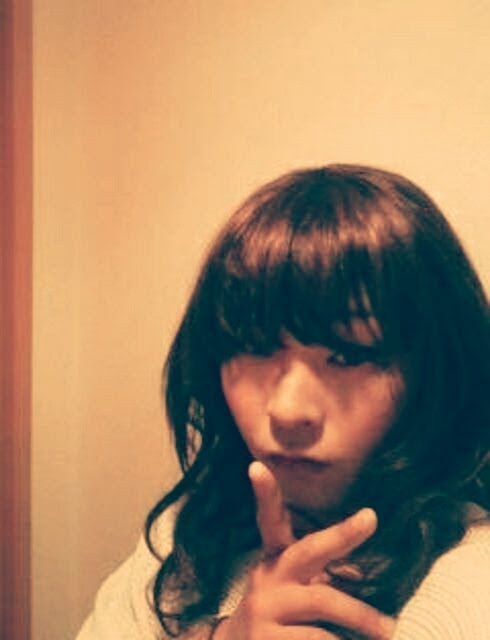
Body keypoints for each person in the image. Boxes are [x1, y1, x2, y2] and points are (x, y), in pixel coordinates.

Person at [77, 165, 489, 639]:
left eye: (349, 354)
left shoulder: (469, 577)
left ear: (436, 373)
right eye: (253, 347)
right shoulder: (186, 534)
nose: (288, 412)